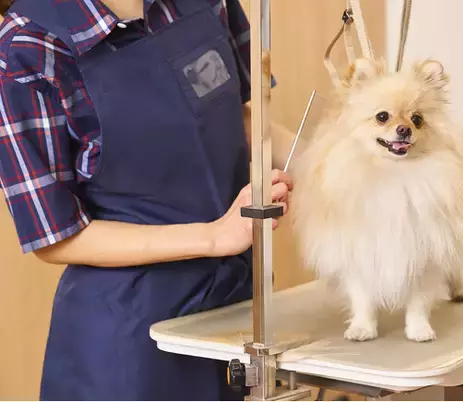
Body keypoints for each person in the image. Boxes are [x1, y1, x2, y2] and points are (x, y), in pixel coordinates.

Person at [0, 0, 298, 400]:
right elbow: (56, 236)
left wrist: (335, 163)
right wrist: (214, 236)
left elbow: (241, 115)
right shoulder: (26, 47)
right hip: (129, 340)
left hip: (236, 313)